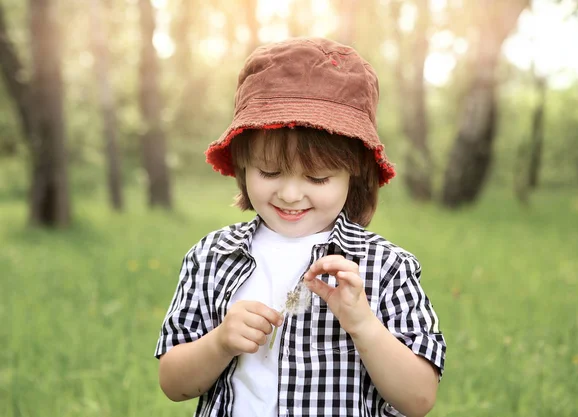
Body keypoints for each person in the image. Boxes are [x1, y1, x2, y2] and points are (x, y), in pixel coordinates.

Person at [154, 37, 446, 417]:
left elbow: (419, 399)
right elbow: (173, 384)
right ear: (243, 165)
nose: (290, 194)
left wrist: (362, 324)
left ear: (353, 173)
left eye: (318, 178)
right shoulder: (213, 257)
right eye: (270, 172)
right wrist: (220, 343)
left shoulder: (385, 268)